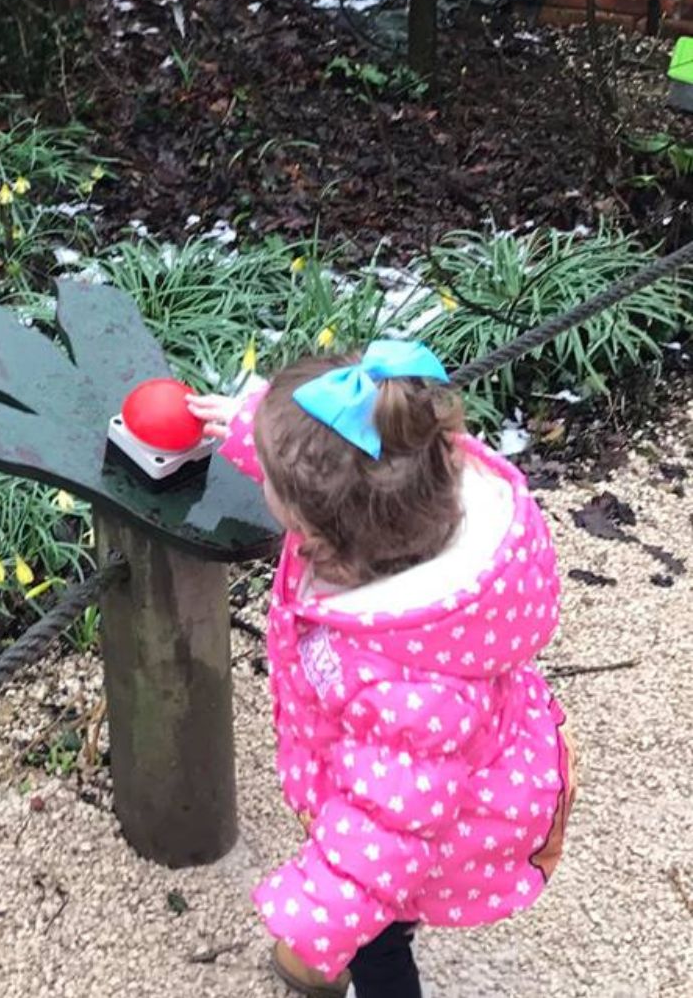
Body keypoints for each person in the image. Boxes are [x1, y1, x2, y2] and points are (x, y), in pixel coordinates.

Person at [187, 340, 575, 998]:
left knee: (377, 938)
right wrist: (261, 430)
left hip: (430, 825)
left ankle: (337, 970)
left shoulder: (408, 690)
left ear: (315, 534)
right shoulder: (409, 490)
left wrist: (322, 915)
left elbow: (383, 834)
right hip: (419, 773)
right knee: (373, 914)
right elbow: (348, 465)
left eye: (278, 490)